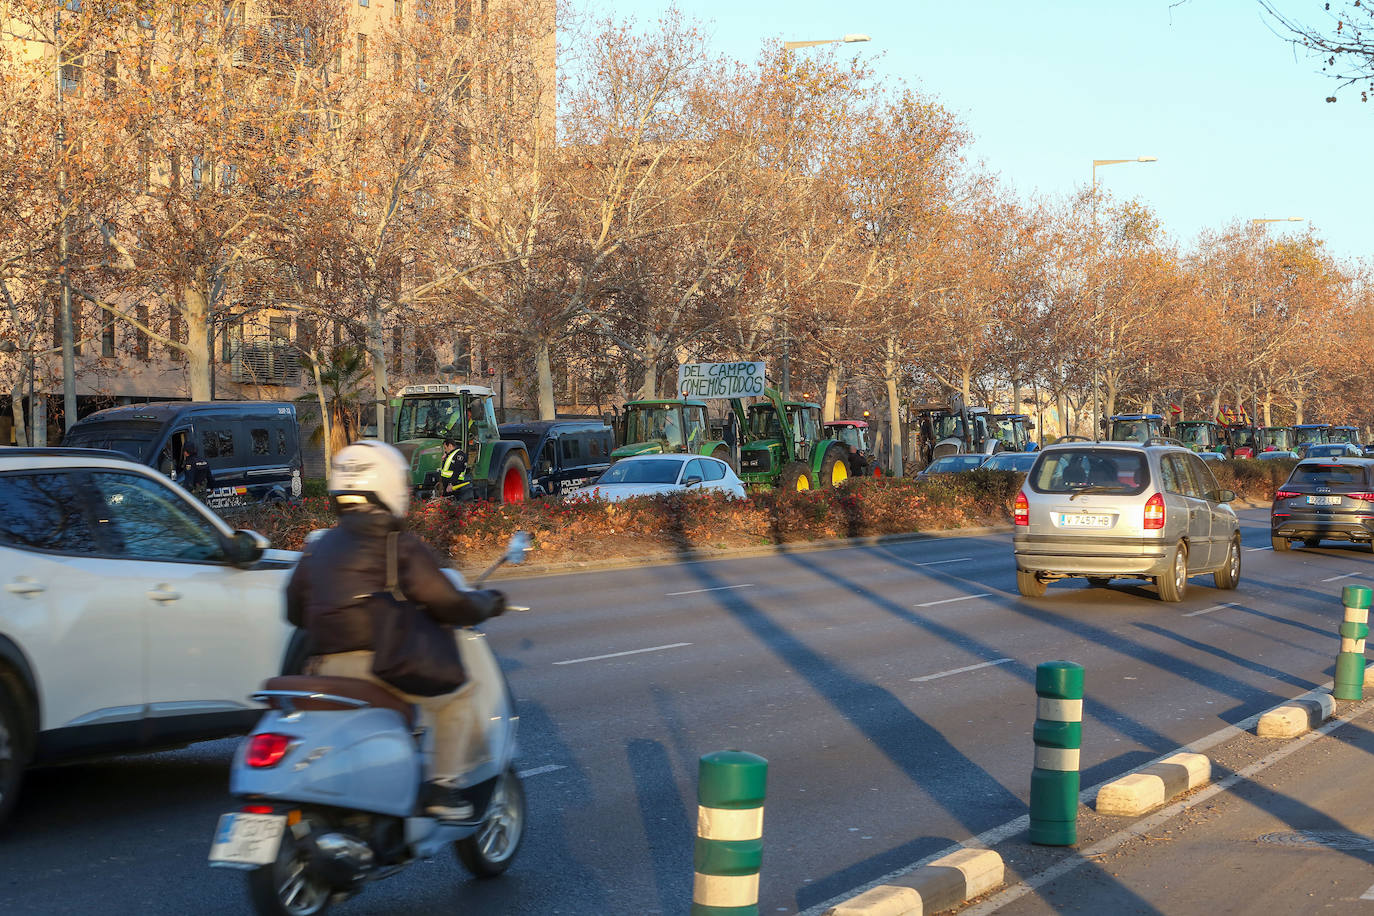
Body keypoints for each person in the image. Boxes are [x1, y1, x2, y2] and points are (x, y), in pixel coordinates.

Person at [285, 440, 505, 821]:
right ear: (390, 485)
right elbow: (448, 603)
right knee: (458, 696)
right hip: (381, 668)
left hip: (322, 672)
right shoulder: (397, 545)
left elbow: (293, 611)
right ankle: (442, 787)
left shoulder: (317, 548)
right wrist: (488, 603)